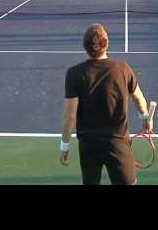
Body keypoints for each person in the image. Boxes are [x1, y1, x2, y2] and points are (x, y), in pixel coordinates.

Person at [59, 24, 152, 185]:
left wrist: (64, 146)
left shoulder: (74, 74)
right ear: (106, 44)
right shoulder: (122, 68)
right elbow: (139, 98)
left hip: (89, 146)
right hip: (117, 144)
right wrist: (145, 117)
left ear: (85, 46)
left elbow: (69, 116)